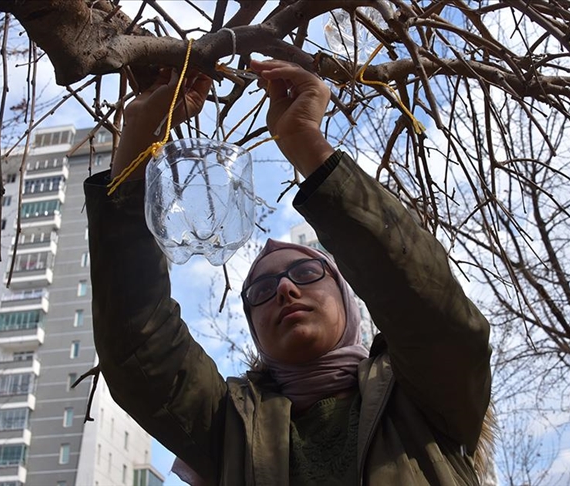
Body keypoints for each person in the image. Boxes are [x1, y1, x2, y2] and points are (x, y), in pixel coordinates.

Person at [84, 58, 492, 485]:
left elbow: (428, 304)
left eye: (305, 272)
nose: (283, 288)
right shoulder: (228, 426)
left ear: (348, 298)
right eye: (260, 289)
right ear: (255, 332)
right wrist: (139, 136)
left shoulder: (423, 395)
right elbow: (138, 343)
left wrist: (305, 141)